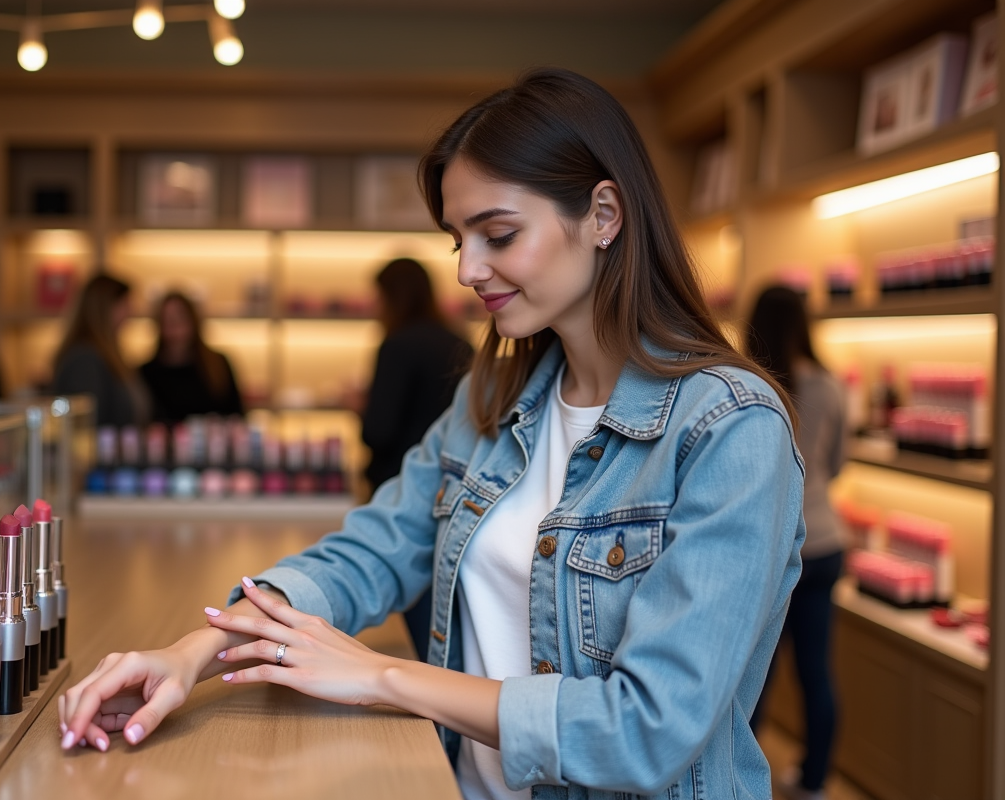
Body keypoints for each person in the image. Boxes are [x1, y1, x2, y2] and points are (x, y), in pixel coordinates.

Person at [58, 68, 806, 800]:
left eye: (499, 234)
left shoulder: (730, 430)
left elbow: (648, 727)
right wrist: (196, 652)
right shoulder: (492, 398)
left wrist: (383, 678)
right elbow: (372, 551)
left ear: (604, 215)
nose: (467, 269)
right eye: (458, 239)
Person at [747, 285, 846, 800]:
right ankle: (814, 781)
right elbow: (835, 464)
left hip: (770, 544)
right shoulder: (829, 385)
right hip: (827, 541)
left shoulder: (749, 384)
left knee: (752, 671)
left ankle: (737, 777)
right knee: (816, 671)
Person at [361, 257, 473, 659]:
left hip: (400, 487)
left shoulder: (398, 344)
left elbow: (378, 429)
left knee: (405, 597)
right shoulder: (459, 343)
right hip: (459, 494)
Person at [52, 274, 149, 428]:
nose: (130, 312)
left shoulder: (107, 355)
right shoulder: (84, 360)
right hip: (100, 452)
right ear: (104, 308)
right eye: (124, 305)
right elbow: (87, 424)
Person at [140, 291, 244, 423]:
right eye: (167, 320)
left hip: (213, 442)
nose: (174, 326)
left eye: (179, 318)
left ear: (193, 320)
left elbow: (237, 415)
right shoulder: (147, 372)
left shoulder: (218, 364)